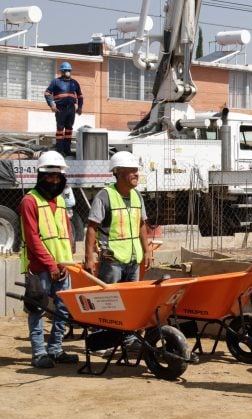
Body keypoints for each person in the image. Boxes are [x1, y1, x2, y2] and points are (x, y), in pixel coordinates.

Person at [19, 151, 79, 368]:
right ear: (41, 175)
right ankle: (38, 353)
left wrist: (66, 261)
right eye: (50, 175)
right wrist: (51, 264)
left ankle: (55, 349)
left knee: (63, 309)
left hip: (62, 266)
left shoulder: (61, 202)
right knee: (37, 309)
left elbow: (66, 233)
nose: (54, 180)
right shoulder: (29, 201)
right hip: (40, 268)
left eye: (58, 176)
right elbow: (33, 238)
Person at [85, 151, 151, 283]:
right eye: (131, 170)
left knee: (130, 300)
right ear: (119, 172)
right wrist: (89, 258)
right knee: (111, 301)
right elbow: (92, 227)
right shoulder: (104, 196)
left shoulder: (137, 196)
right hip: (112, 262)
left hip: (134, 260)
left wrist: (147, 251)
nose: (136, 174)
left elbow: (141, 225)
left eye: (136, 170)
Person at [45, 62, 83, 157]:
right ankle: (60, 150)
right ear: (62, 72)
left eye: (69, 70)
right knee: (60, 130)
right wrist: (52, 105)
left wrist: (80, 107)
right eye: (66, 70)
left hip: (71, 108)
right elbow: (47, 93)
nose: (67, 72)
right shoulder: (56, 82)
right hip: (60, 108)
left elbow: (80, 95)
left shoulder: (74, 83)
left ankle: (67, 150)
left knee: (69, 130)